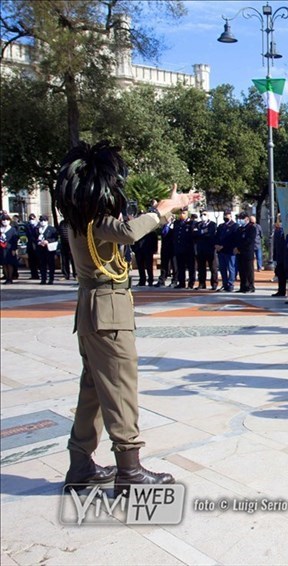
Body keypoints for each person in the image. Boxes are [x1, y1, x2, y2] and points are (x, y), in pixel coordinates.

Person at [51, 140, 198, 494]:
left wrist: (166, 210)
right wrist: (165, 209)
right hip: (107, 313)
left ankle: (81, 464)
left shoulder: (78, 220)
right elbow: (129, 233)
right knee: (120, 389)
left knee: (93, 392)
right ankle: (129, 470)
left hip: (92, 312)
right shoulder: (95, 222)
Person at [193, 210, 218, 290]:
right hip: (200, 249)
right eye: (201, 214)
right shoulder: (198, 224)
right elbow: (195, 234)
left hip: (210, 249)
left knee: (213, 268)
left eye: (204, 214)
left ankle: (214, 284)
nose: (202, 216)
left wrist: (201, 233)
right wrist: (203, 232)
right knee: (201, 268)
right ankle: (201, 283)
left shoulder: (212, 224)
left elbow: (210, 234)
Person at [172, 210, 195, 289]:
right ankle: (181, 282)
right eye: (180, 213)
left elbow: (192, 236)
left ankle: (191, 283)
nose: (181, 215)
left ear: (187, 214)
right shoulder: (177, 223)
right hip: (179, 249)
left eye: (183, 213)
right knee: (180, 267)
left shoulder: (191, 223)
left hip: (188, 249)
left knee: (190, 267)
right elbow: (175, 235)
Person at [215, 210, 237, 292]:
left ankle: (230, 284)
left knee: (231, 268)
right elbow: (217, 236)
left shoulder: (234, 226)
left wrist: (223, 246)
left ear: (230, 215)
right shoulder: (221, 226)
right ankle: (225, 284)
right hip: (221, 251)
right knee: (222, 268)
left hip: (229, 250)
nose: (225, 217)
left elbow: (232, 239)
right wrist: (216, 244)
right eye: (224, 215)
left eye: (227, 215)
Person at [235, 212, 257, 293]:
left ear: (247, 219)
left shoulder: (252, 228)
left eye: (241, 218)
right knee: (242, 271)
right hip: (239, 253)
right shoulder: (240, 229)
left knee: (249, 271)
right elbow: (236, 240)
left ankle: (250, 286)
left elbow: (249, 241)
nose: (240, 220)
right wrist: (236, 248)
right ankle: (243, 286)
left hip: (247, 253)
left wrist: (240, 248)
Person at [34, 215, 59, 285]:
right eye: (41, 220)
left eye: (44, 220)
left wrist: (48, 241)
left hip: (49, 249)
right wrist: (38, 242)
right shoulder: (37, 229)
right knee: (42, 264)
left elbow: (55, 238)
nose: (42, 222)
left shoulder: (51, 229)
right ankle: (43, 278)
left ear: (47, 221)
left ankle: (51, 279)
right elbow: (33, 238)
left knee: (51, 264)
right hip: (40, 248)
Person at [155, 216, 174, 287]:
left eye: (168, 217)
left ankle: (174, 280)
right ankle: (162, 280)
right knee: (163, 265)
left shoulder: (174, 225)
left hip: (172, 248)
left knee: (174, 266)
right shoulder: (163, 226)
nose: (166, 219)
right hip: (164, 248)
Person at [0, 213, 20, 284]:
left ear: (9, 221)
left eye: (6, 219)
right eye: (3, 220)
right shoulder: (1, 229)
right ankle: (6, 277)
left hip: (9, 249)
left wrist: (14, 249)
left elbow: (15, 240)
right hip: (1, 249)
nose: (4, 221)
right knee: (4, 264)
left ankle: (10, 278)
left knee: (10, 264)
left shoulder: (12, 229)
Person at [272, 217, 288, 297]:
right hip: (279, 257)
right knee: (280, 275)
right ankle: (281, 291)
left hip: (287, 257)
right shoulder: (277, 231)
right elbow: (275, 245)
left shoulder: (287, 231)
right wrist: (274, 258)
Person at [24, 213, 39, 280]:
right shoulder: (27, 226)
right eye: (30, 219)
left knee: (39, 261)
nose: (31, 220)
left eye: (32, 218)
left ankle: (41, 275)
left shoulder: (38, 226)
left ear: (35, 218)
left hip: (37, 245)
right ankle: (34, 275)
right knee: (31, 262)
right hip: (30, 246)